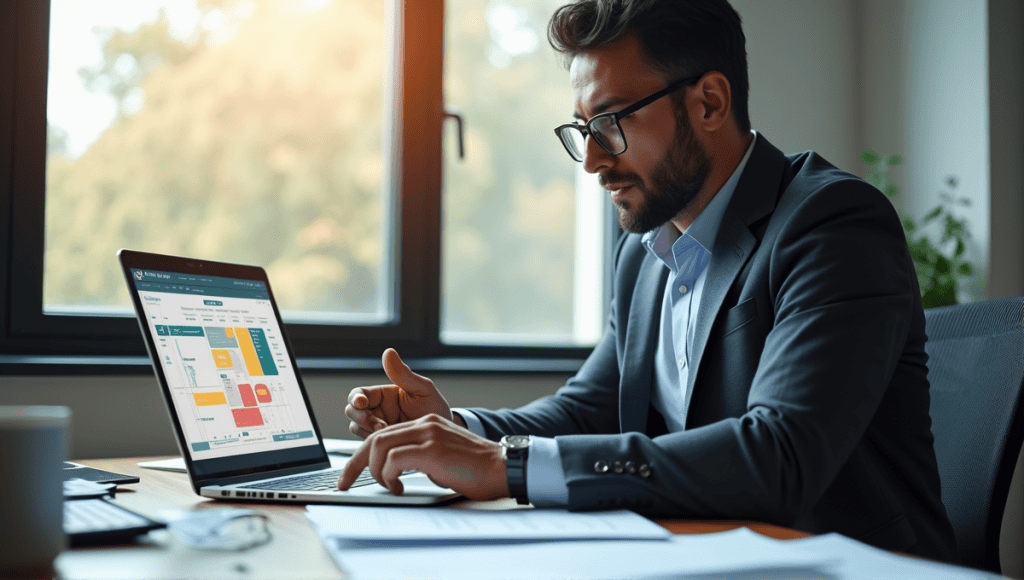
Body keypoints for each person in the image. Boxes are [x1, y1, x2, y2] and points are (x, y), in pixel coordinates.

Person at [338, 0, 959, 563]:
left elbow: (780, 454)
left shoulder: (830, 224)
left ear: (710, 102)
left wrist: (507, 466)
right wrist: (460, 431)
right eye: (581, 129)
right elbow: (591, 409)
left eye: (609, 123)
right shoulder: (643, 254)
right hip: (707, 557)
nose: (593, 160)